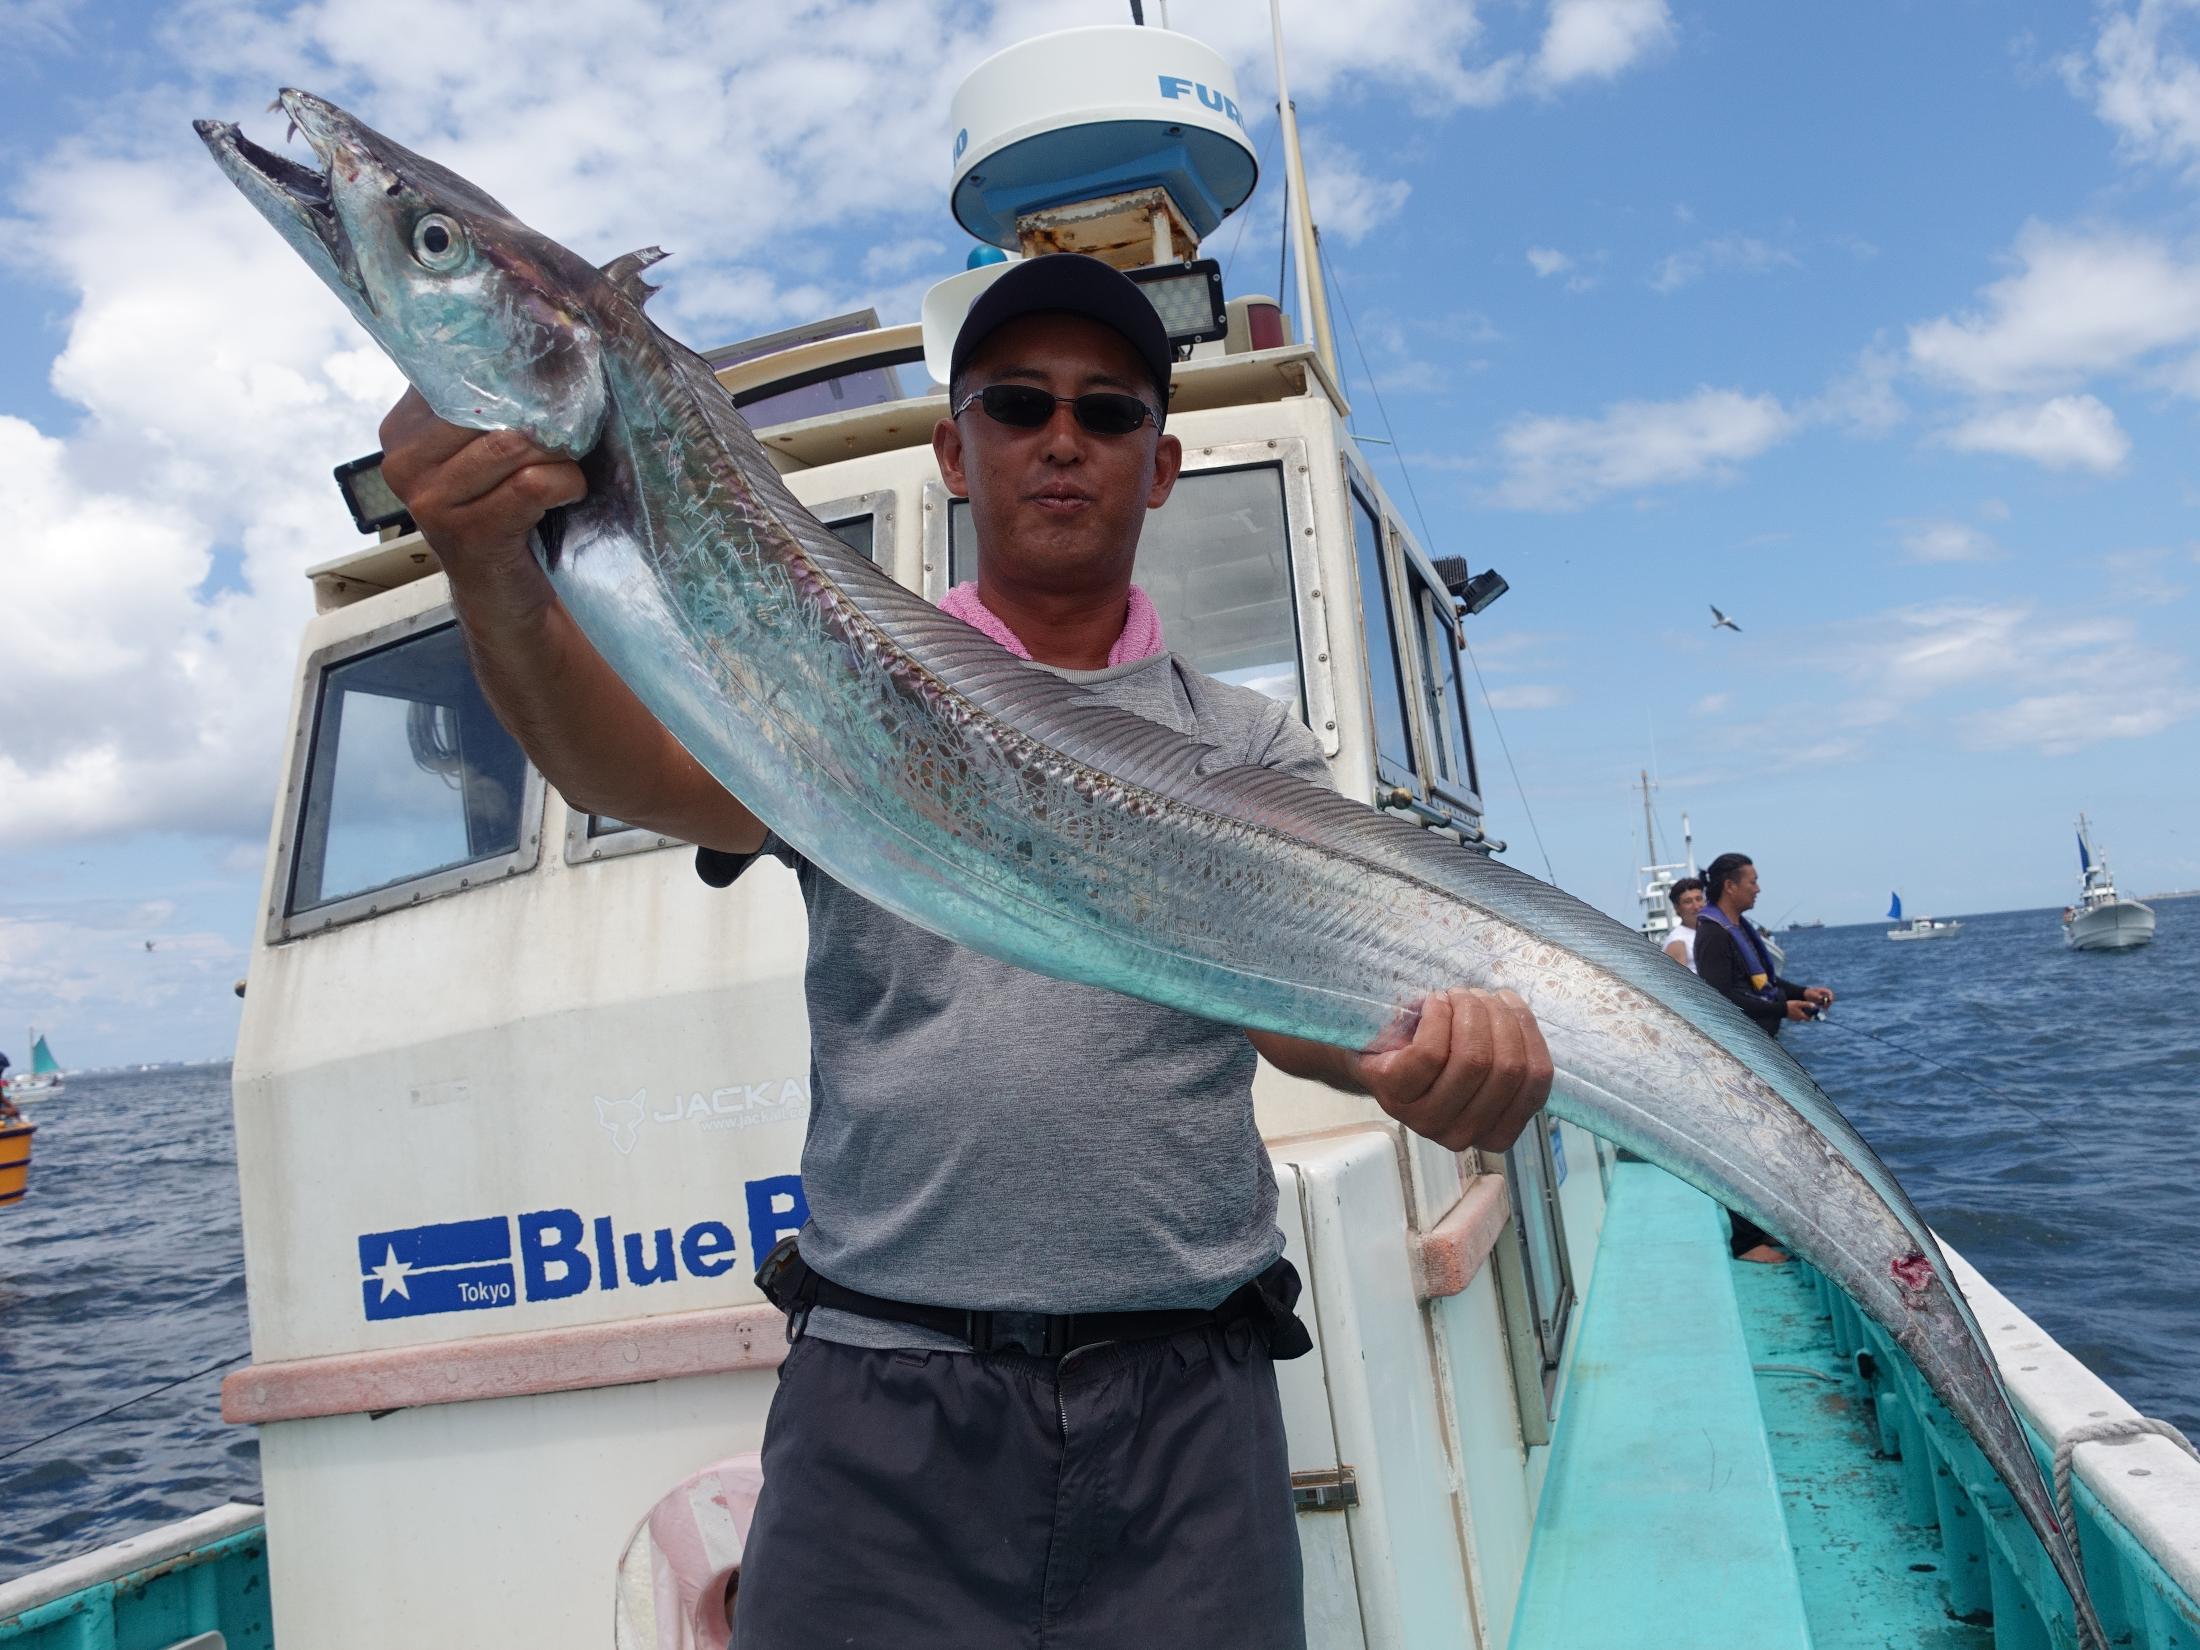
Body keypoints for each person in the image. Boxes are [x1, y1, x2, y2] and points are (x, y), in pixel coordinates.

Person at [378, 252, 1554, 1650]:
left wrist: (1414, 1063)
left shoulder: (1246, 747)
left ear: (1160, 464)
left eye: (1108, 413)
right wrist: (485, 565)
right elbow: (624, 772)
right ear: (956, 449)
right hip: (885, 1394)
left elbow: (1303, 1015)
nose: (1064, 439)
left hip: (1186, 1398)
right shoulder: (840, 686)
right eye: (1017, 403)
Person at [1692, 852, 1835, 1264]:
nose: (1759, 888)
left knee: (1770, 1143)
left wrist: (1801, 992)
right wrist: (1781, 1009)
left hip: (1762, 1050)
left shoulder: (1741, 926)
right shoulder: (1713, 932)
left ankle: (1763, 1229)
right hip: (1740, 1054)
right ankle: (1745, 1242)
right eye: (1752, 881)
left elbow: (1765, 983)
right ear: (1730, 886)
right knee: (1747, 1144)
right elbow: (1720, 994)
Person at [1663, 875, 1706, 973]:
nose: (1696, 906)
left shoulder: (1713, 930)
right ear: (1677, 908)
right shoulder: (1677, 941)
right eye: (1688, 902)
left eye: (1699, 899)